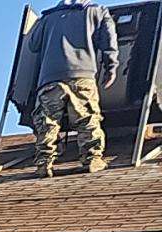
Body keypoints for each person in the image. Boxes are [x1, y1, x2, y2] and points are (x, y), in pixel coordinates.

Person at [28, 0, 120, 174]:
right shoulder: (97, 11)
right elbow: (109, 41)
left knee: (47, 122)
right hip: (82, 75)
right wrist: (111, 68)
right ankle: (92, 159)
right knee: (87, 118)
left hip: (49, 78)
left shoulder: (47, 17)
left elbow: (33, 45)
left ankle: (44, 163)